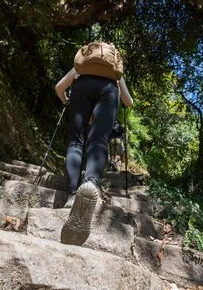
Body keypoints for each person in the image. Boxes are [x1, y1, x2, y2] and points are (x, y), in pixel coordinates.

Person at [54, 52, 133, 246]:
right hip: (109, 91)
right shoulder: (114, 71)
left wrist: (66, 101)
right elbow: (129, 102)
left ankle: (73, 194)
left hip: (80, 88)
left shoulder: (82, 66)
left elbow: (59, 87)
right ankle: (90, 183)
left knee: (75, 141)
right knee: (99, 139)